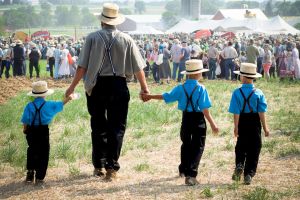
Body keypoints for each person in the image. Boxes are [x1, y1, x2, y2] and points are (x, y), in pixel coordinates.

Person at [65, 3, 149, 181]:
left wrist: (71, 87)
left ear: (102, 21)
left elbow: (82, 66)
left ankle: (99, 166)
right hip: (119, 84)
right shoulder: (126, 39)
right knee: (117, 127)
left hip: (97, 85)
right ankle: (112, 167)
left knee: (98, 125)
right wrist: (144, 87)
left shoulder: (92, 38)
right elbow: (138, 67)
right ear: (116, 21)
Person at [143, 59, 219, 186]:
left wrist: (150, 96)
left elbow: (166, 96)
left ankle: (183, 169)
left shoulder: (180, 88)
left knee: (186, 144)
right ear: (198, 74)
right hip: (198, 119)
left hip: (186, 118)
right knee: (198, 146)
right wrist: (212, 124)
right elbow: (205, 110)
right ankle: (191, 175)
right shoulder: (201, 89)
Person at [21, 81, 72, 184]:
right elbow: (61, 103)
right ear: (45, 94)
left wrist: (25, 129)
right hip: (43, 131)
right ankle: (40, 177)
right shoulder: (49, 105)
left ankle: (30, 174)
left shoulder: (29, 106)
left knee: (32, 150)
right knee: (44, 152)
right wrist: (69, 98)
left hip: (31, 131)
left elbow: (25, 120)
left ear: (34, 94)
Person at [229, 63, 270, 185]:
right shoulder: (258, 93)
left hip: (242, 121)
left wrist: (236, 127)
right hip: (254, 122)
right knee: (255, 147)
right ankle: (249, 173)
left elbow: (236, 112)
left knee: (241, 145)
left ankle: (240, 164)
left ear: (243, 77)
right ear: (253, 77)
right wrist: (265, 127)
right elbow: (261, 112)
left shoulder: (236, 92)